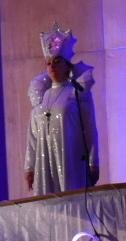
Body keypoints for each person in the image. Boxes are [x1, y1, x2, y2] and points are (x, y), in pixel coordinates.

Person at [24, 53, 99, 195]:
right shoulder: (41, 97)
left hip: (70, 156)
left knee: (71, 194)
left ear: (67, 66)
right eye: (49, 63)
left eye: (57, 62)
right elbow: (33, 135)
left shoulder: (77, 92)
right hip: (45, 158)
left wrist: (93, 162)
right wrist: (30, 167)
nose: (52, 66)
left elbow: (89, 129)